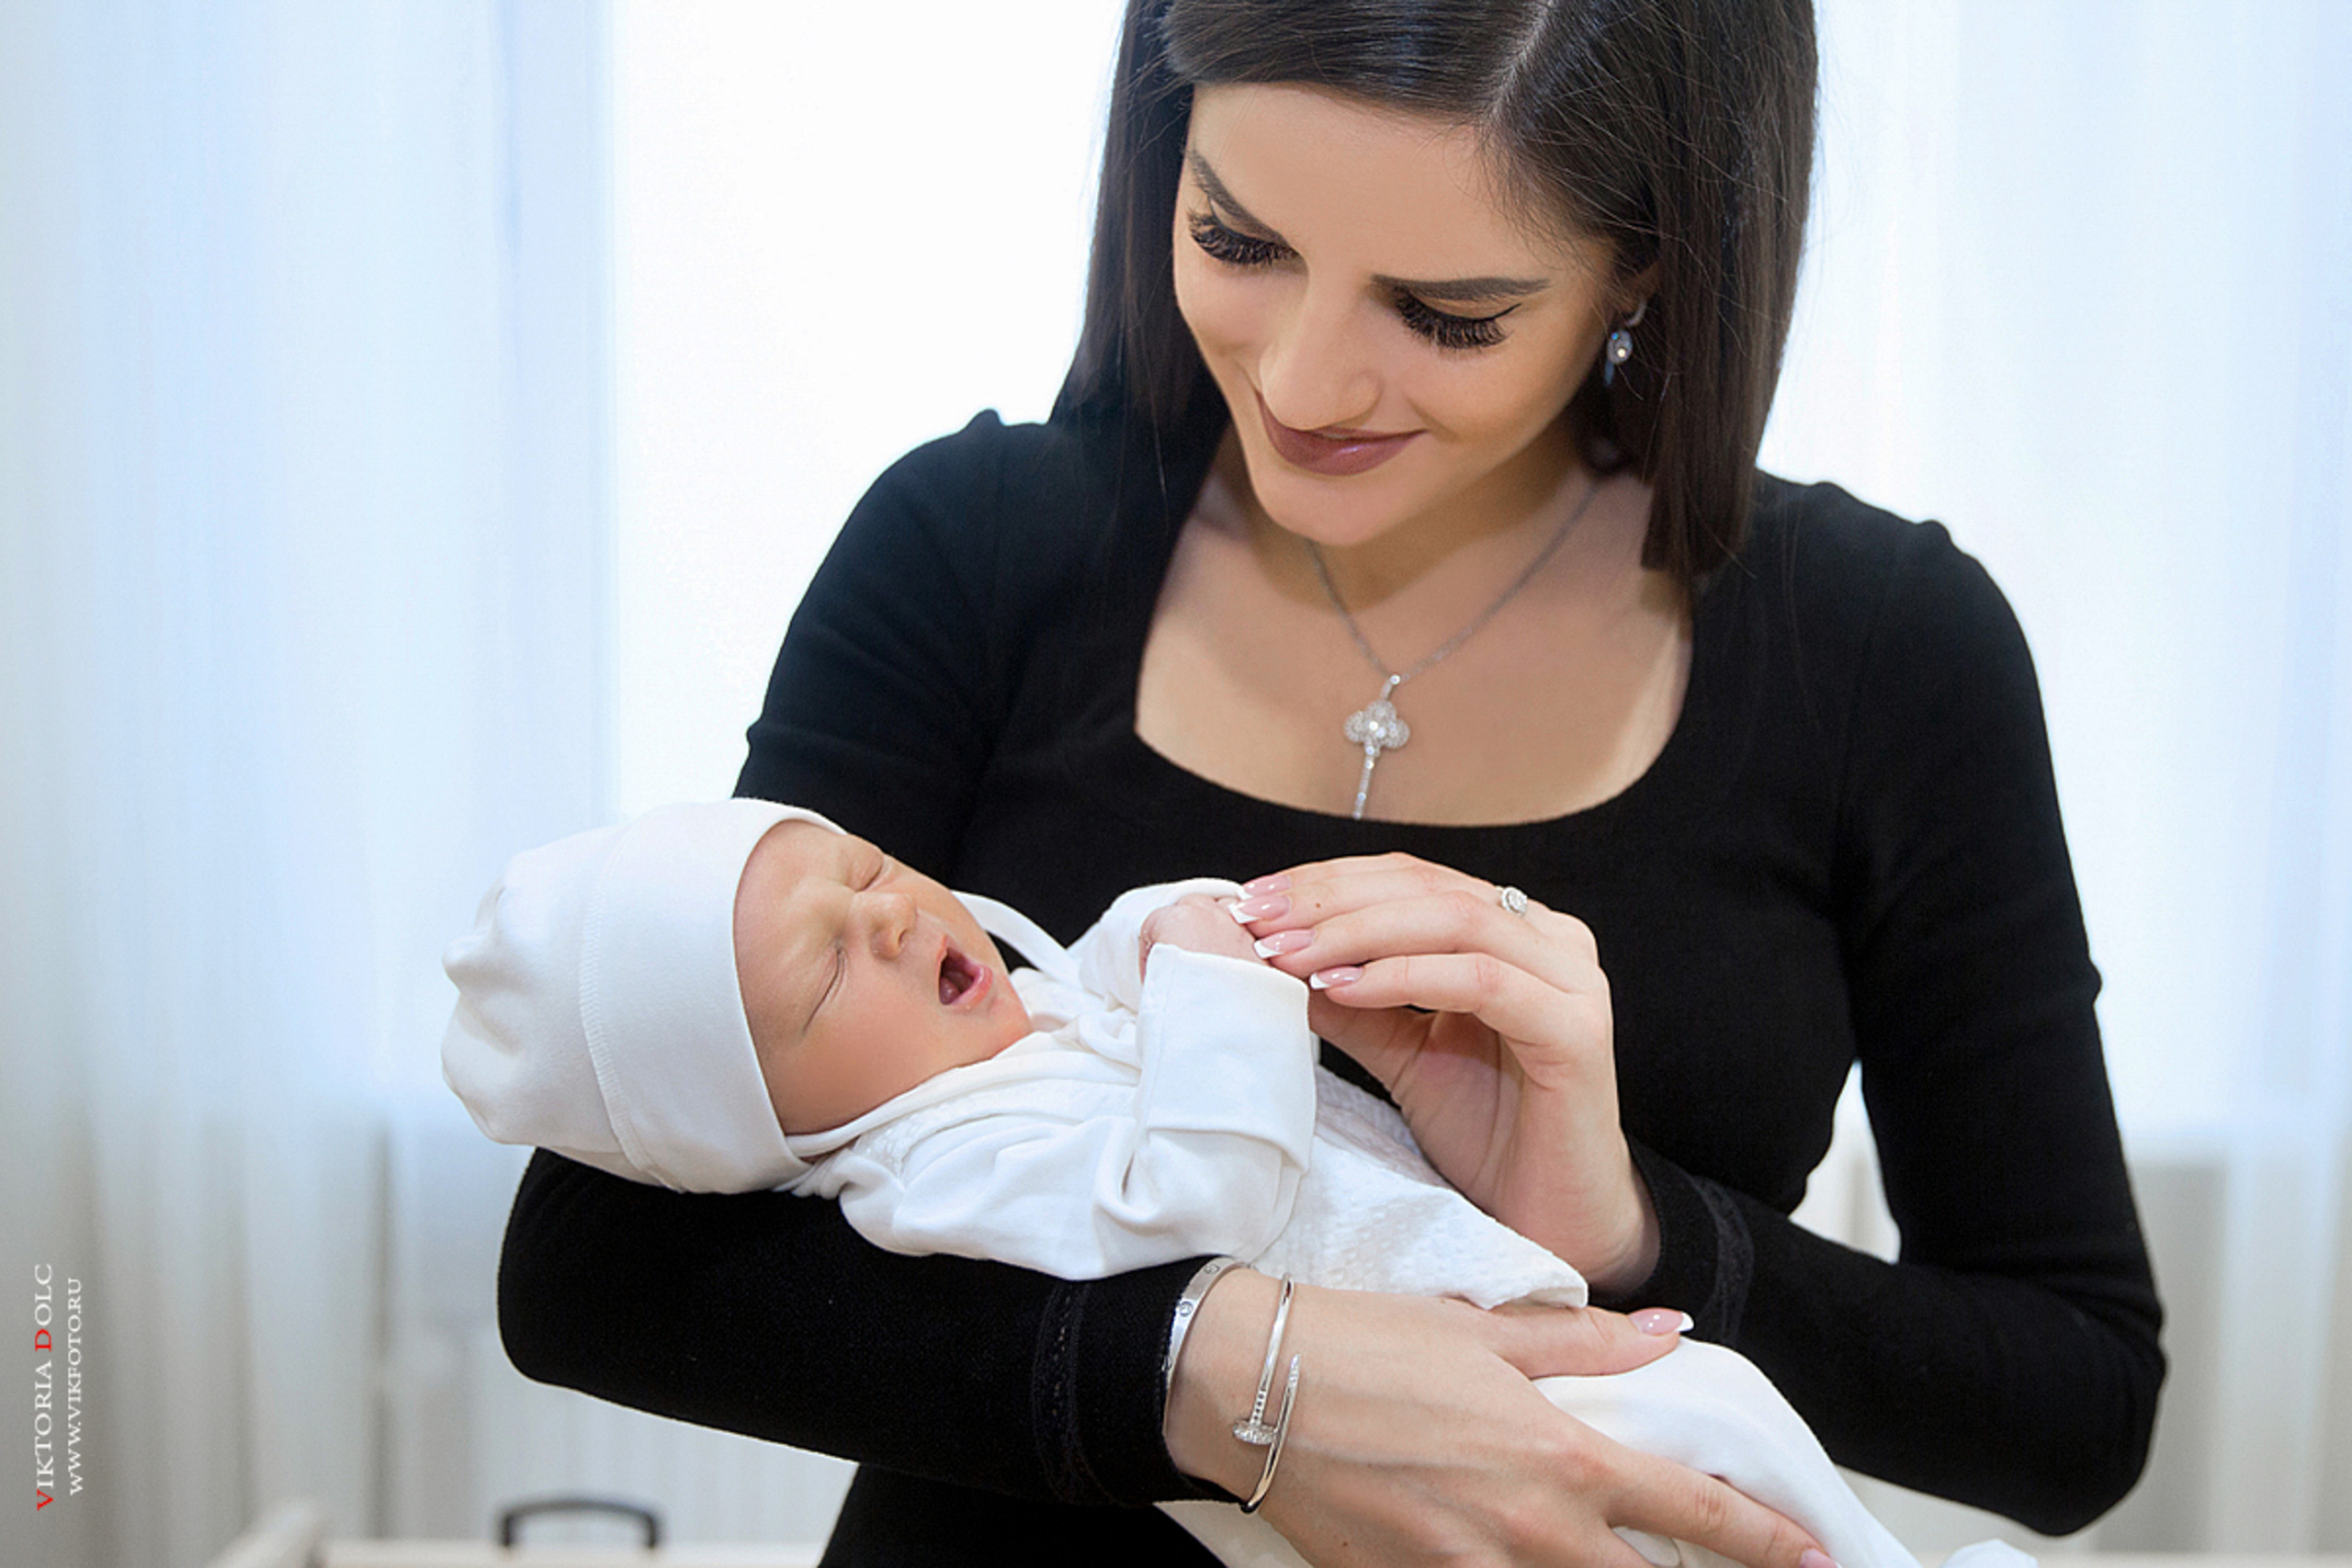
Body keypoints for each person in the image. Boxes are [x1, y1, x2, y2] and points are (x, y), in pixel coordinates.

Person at [493, 3, 2165, 1563]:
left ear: (1648, 261)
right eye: (1237, 239)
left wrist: (1633, 1232)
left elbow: (2074, 1398)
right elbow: (591, 1263)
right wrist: (1220, 1374)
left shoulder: (1888, 653)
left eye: (1445, 314)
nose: (1298, 383)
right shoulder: (971, 553)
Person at [443, 798, 2009, 1568]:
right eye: (817, 977)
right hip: (1432, 1403)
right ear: (765, 1127)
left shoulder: (1007, 1024)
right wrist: (1220, 991)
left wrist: (1183, 926)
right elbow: (1196, 1210)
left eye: (860, 867)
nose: (885, 909)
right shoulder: (927, 1167)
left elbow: (1113, 976)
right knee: (1707, 1446)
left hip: (1502, 1332)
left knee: (1722, 1434)